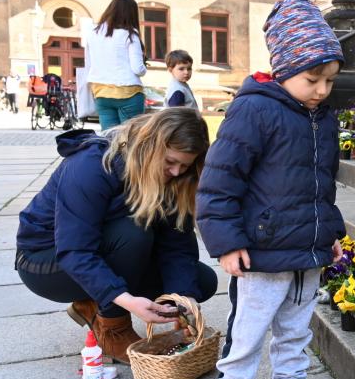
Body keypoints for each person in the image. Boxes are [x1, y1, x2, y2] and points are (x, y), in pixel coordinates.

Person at [196, 0, 346, 379]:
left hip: (308, 251)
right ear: (284, 69)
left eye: (329, 80)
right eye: (312, 78)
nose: (322, 89)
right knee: (248, 331)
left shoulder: (324, 119)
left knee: (297, 329)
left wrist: (332, 234)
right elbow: (219, 182)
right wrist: (225, 242)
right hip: (261, 253)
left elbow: (323, 186)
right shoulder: (254, 109)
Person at [15, 109, 217, 363]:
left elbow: (176, 245)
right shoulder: (91, 165)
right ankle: (113, 325)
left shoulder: (175, 178)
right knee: (133, 234)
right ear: (150, 146)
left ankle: (92, 300)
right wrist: (126, 302)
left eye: (184, 166)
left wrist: (183, 299)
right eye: (170, 162)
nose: (176, 172)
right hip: (45, 260)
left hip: (105, 249)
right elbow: (75, 250)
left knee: (202, 281)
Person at [85, 0, 148, 130]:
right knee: (130, 138)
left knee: (109, 138)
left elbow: (90, 64)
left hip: (101, 91)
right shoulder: (130, 34)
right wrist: (144, 66)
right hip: (128, 92)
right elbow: (138, 69)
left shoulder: (93, 33)